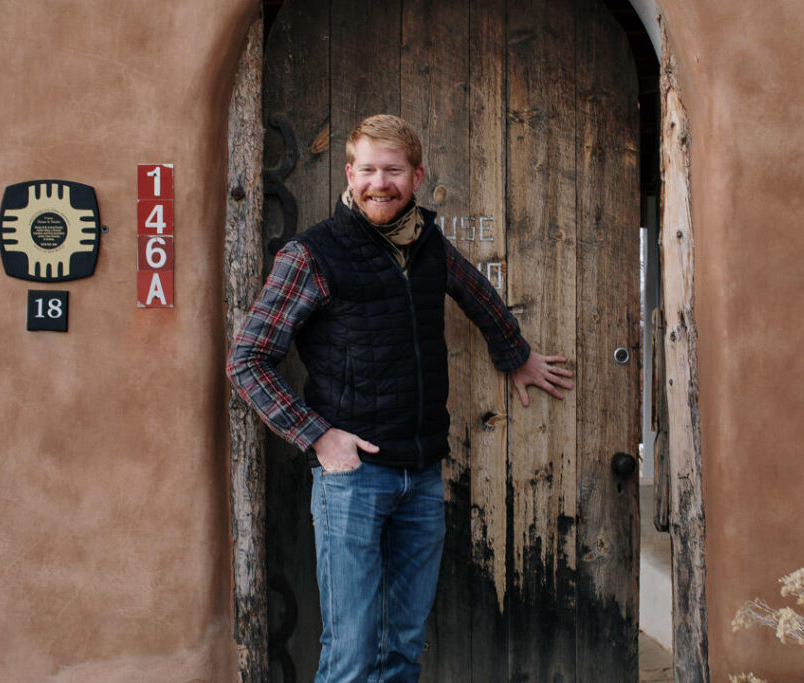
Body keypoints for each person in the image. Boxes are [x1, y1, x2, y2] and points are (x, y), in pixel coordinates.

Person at [227, 114, 573, 682]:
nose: (378, 183)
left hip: (421, 475)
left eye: (392, 171)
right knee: (351, 656)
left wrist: (517, 354)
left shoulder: (427, 244)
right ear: (349, 172)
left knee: (403, 652)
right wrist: (317, 435)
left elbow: (478, 295)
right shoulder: (312, 253)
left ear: (416, 176)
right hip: (352, 480)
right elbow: (247, 361)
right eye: (367, 169)